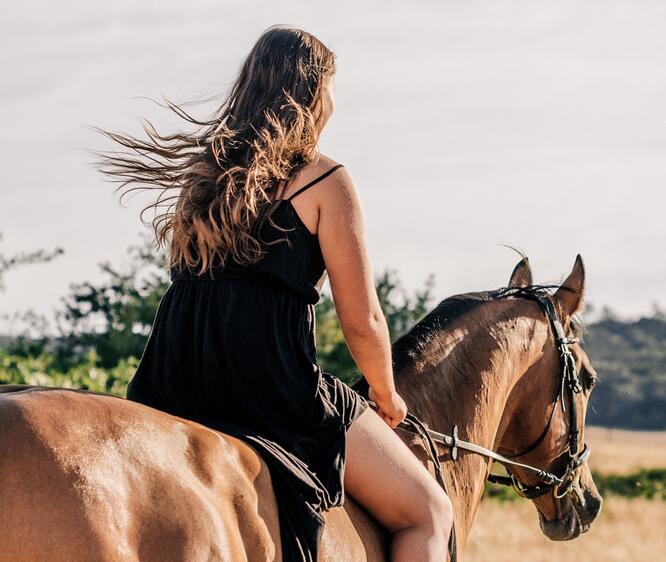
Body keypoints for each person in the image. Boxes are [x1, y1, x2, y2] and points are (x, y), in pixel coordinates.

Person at [90, 24, 454, 562]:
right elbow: (363, 322)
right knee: (429, 512)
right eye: (330, 87)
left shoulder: (204, 174)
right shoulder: (322, 178)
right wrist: (386, 392)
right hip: (270, 388)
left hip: (176, 379)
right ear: (311, 91)